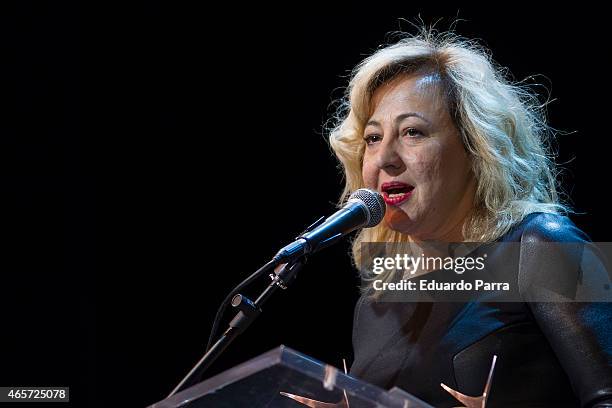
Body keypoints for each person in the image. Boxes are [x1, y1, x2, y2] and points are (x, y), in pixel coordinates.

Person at [326, 29, 612, 407]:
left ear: (476, 148)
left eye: (413, 132)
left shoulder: (542, 246)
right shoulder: (377, 299)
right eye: (373, 138)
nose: (385, 159)